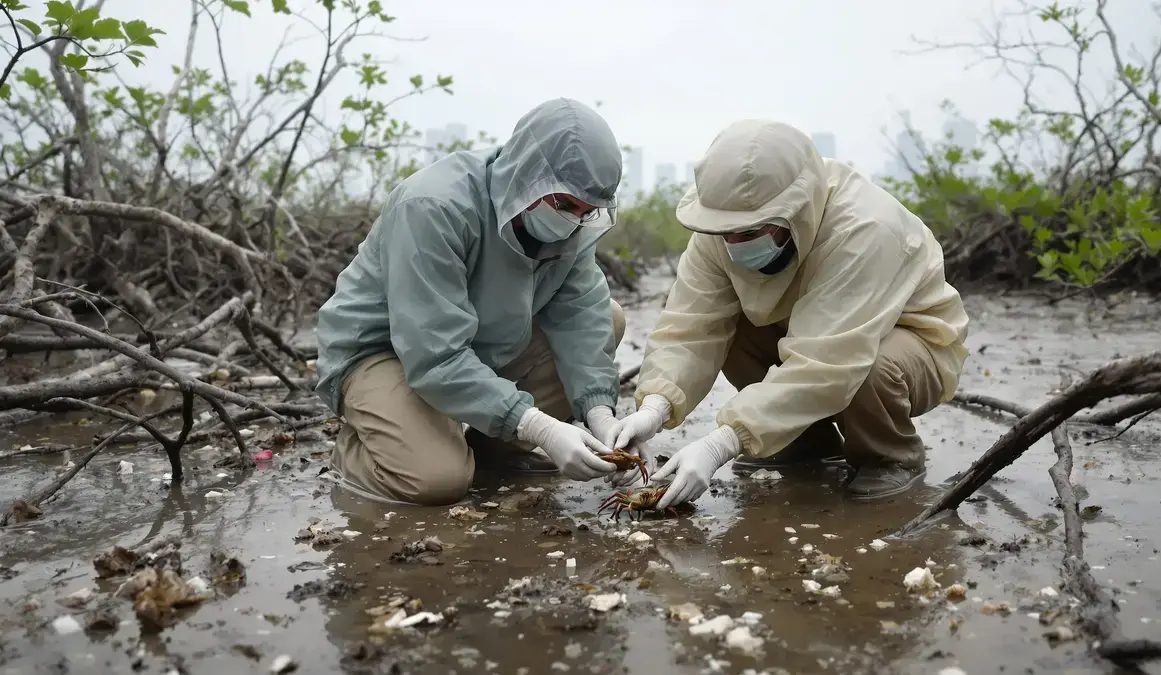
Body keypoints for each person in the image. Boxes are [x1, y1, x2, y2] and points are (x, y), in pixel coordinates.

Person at [598, 119, 970, 506]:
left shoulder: (865, 228)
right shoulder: (718, 227)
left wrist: (725, 441)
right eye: (728, 232)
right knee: (734, 330)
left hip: (907, 342)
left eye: (751, 231)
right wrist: (655, 407)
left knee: (871, 365)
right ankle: (805, 442)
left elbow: (829, 360)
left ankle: (889, 457)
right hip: (804, 331)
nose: (735, 244)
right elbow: (691, 326)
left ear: (797, 210)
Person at [314, 98, 633, 506]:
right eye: (565, 204)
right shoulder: (434, 206)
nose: (573, 219)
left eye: (587, 211)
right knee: (436, 481)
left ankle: (490, 449)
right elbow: (434, 354)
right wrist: (539, 427)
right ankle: (364, 451)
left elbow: (583, 319)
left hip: (478, 346)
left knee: (610, 317)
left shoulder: (573, 229)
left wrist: (600, 414)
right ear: (527, 175)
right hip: (384, 351)